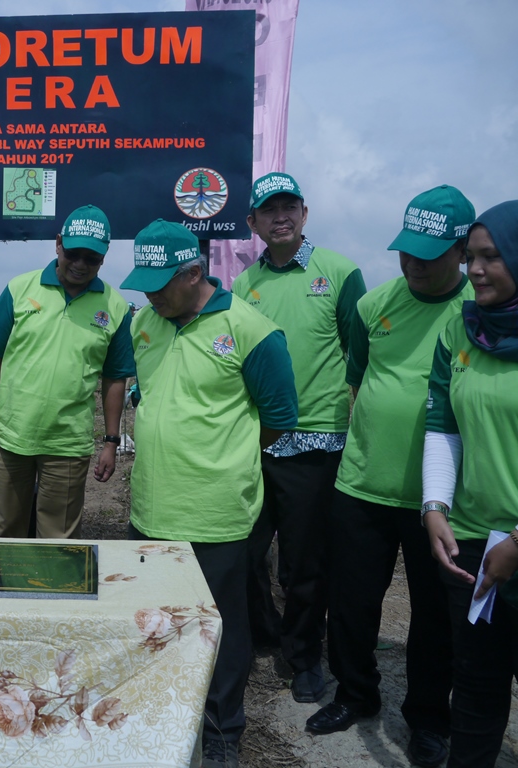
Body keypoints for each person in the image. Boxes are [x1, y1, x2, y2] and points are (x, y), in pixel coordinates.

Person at [305, 185, 474, 768]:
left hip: (444, 498)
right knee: (351, 604)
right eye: (406, 251)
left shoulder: (479, 312)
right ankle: (355, 693)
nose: (414, 264)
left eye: (429, 253)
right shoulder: (374, 304)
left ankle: (428, 717)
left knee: (434, 616)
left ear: (462, 251)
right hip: (363, 483)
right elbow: (358, 374)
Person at [121, 219, 298, 767]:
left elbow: (279, 420)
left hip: (216, 515)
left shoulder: (253, 331)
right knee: (151, 621)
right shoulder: (146, 325)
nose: (149, 293)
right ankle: (158, 712)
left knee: (220, 628)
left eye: (159, 282)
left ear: (194, 273)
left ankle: (222, 729)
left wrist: (224, 458)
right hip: (150, 510)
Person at [232, 172, 366, 702]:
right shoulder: (245, 285)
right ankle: (268, 631)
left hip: (314, 441)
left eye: (289, 207)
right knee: (244, 549)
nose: (280, 216)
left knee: (303, 560)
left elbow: (358, 354)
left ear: (305, 214)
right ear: (253, 223)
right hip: (255, 437)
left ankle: (305, 654)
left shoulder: (338, 272)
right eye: (269, 210)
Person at [423, 200, 518, 768]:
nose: (475, 269)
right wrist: (435, 505)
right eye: (471, 256)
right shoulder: (461, 326)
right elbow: (443, 421)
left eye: (492, 257)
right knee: (477, 686)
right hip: (476, 543)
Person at [0, 204, 134, 539]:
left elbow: (115, 378)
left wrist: (110, 441)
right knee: (2, 531)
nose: (80, 264)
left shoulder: (115, 307)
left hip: (67, 444)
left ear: (103, 258)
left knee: (58, 539)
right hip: (11, 436)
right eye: (73, 253)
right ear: (58, 244)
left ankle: (52, 593)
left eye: (91, 258)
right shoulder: (21, 288)